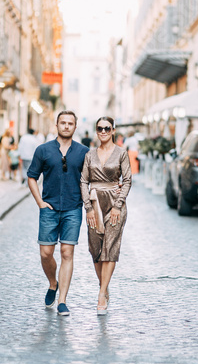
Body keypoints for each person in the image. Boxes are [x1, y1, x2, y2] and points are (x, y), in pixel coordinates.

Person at [27, 111, 89, 316]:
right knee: (46, 253)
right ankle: (52, 283)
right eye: (63, 122)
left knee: (67, 253)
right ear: (57, 125)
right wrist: (40, 203)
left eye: (70, 123)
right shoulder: (43, 150)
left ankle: (62, 300)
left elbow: (90, 179)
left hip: (73, 209)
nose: (66, 126)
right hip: (49, 209)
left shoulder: (83, 152)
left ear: (75, 127)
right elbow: (32, 177)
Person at [80, 116, 132, 315]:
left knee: (110, 247)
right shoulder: (89, 154)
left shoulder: (121, 153)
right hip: (94, 203)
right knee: (96, 249)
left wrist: (118, 205)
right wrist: (88, 208)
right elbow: (84, 181)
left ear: (113, 130)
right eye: (100, 128)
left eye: (107, 128)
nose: (103, 132)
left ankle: (102, 293)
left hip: (114, 204)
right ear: (96, 131)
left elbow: (127, 180)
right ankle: (105, 284)